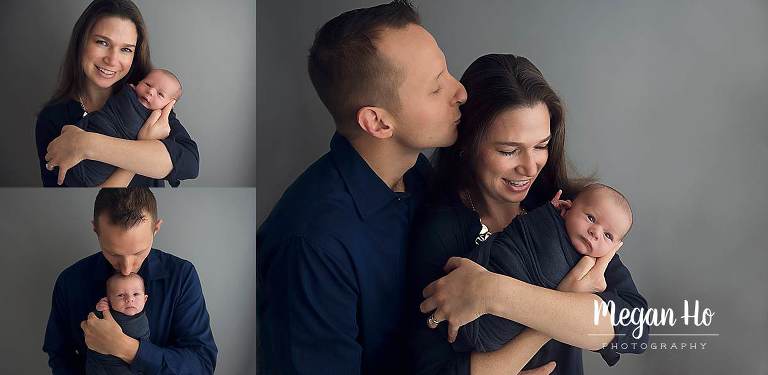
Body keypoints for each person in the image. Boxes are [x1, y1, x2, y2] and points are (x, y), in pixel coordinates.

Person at [256, 1, 467, 374]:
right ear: (378, 122)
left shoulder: (420, 177)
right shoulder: (310, 246)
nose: (460, 91)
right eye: (436, 88)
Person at [407, 54, 648, 375]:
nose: (530, 166)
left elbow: (635, 329)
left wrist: (493, 292)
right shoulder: (441, 229)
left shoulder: (571, 213)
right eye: (508, 150)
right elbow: (434, 368)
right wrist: (564, 306)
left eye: (541, 146)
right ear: (466, 143)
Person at [452, 184, 643, 354]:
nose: (595, 232)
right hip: (461, 301)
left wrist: (565, 301)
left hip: (493, 337)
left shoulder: (600, 262)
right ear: (567, 207)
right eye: (590, 217)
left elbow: (638, 329)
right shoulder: (547, 212)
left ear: (615, 247)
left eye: (608, 236)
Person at [43, 188, 217, 374]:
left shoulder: (182, 276)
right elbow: (60, 356)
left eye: (138, 253)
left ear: (155, 229)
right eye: (113, 254)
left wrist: (126, 348)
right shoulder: (70, 282)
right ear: (96, 230)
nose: (126, 268)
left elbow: (202, 363)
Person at [36, 0, 199, 188]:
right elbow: (82, 200)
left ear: (134, 54)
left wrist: (86, 144)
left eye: (126, 49)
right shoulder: (52, 117)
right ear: (81, 42)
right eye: (102, 42)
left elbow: (190, 163)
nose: (112, 60)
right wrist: (145, 144)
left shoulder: (147, 99)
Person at [65, 68, 184, 186]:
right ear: (138, 82)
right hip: (93, 131)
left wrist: (146, 143)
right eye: (147, 84)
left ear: (169, 105)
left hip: (96, 171)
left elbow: (188, 164)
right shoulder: (125, 93)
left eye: (160, 94)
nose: (150, 91)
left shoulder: (164, 122)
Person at [86, 273, 150, 374]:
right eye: (120, 295)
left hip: (128, 364)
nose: (129, 299)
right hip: (102, 362)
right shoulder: (108, 313)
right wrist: (100, 310)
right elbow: (93, 325)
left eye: (136, 294)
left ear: (145, 299)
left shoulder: (143, 318)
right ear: (109, 300)